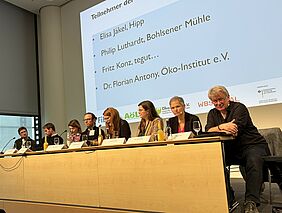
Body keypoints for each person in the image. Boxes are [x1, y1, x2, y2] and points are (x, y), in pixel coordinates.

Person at [205, 85, 270, 213]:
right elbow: (207, 130)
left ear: (228, 97)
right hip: (232, 148)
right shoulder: (212, 113)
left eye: (221, 99)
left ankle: (251, 202)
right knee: (215, 162)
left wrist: (217, 128)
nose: (218, 103)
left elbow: (234, 130)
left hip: (252, 144)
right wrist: (222, 126)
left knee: (253, 160)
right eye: (215, 101)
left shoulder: (239, 108)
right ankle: (228, 197)